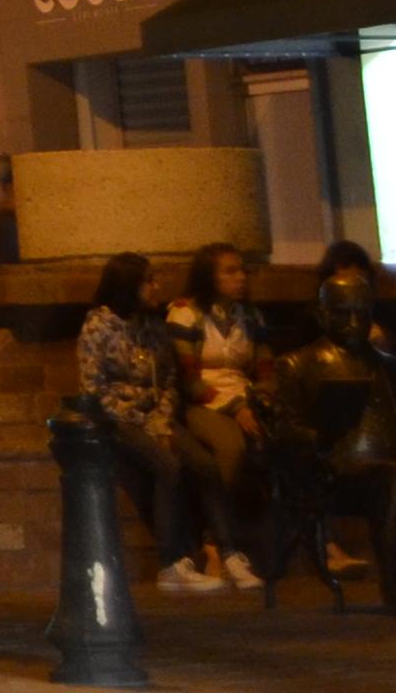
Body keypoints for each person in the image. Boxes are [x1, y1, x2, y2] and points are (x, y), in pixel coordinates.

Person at [77, 254, 203, 585]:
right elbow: (94, 389)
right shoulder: (99, 326)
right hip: (118, 421)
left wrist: (160, 421)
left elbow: (168, 378)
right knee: (167, 466)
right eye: (148, 281)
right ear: (128, 286)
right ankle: (171, 560)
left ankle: (216, 550)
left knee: (201, 463)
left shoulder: (151, 325)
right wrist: (137, 418)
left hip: (154, 418)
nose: (155, 286)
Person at [163, 242, 273, 589]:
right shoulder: (186, 313)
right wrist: (234, 408)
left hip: (245, 396)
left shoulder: (249, 317)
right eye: (229, 271)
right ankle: (216, 542)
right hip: (204, 402)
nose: (239, 278)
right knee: (231, 448)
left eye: (241, 270)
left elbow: (265, 367)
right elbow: (187, 377)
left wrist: (261, 399)